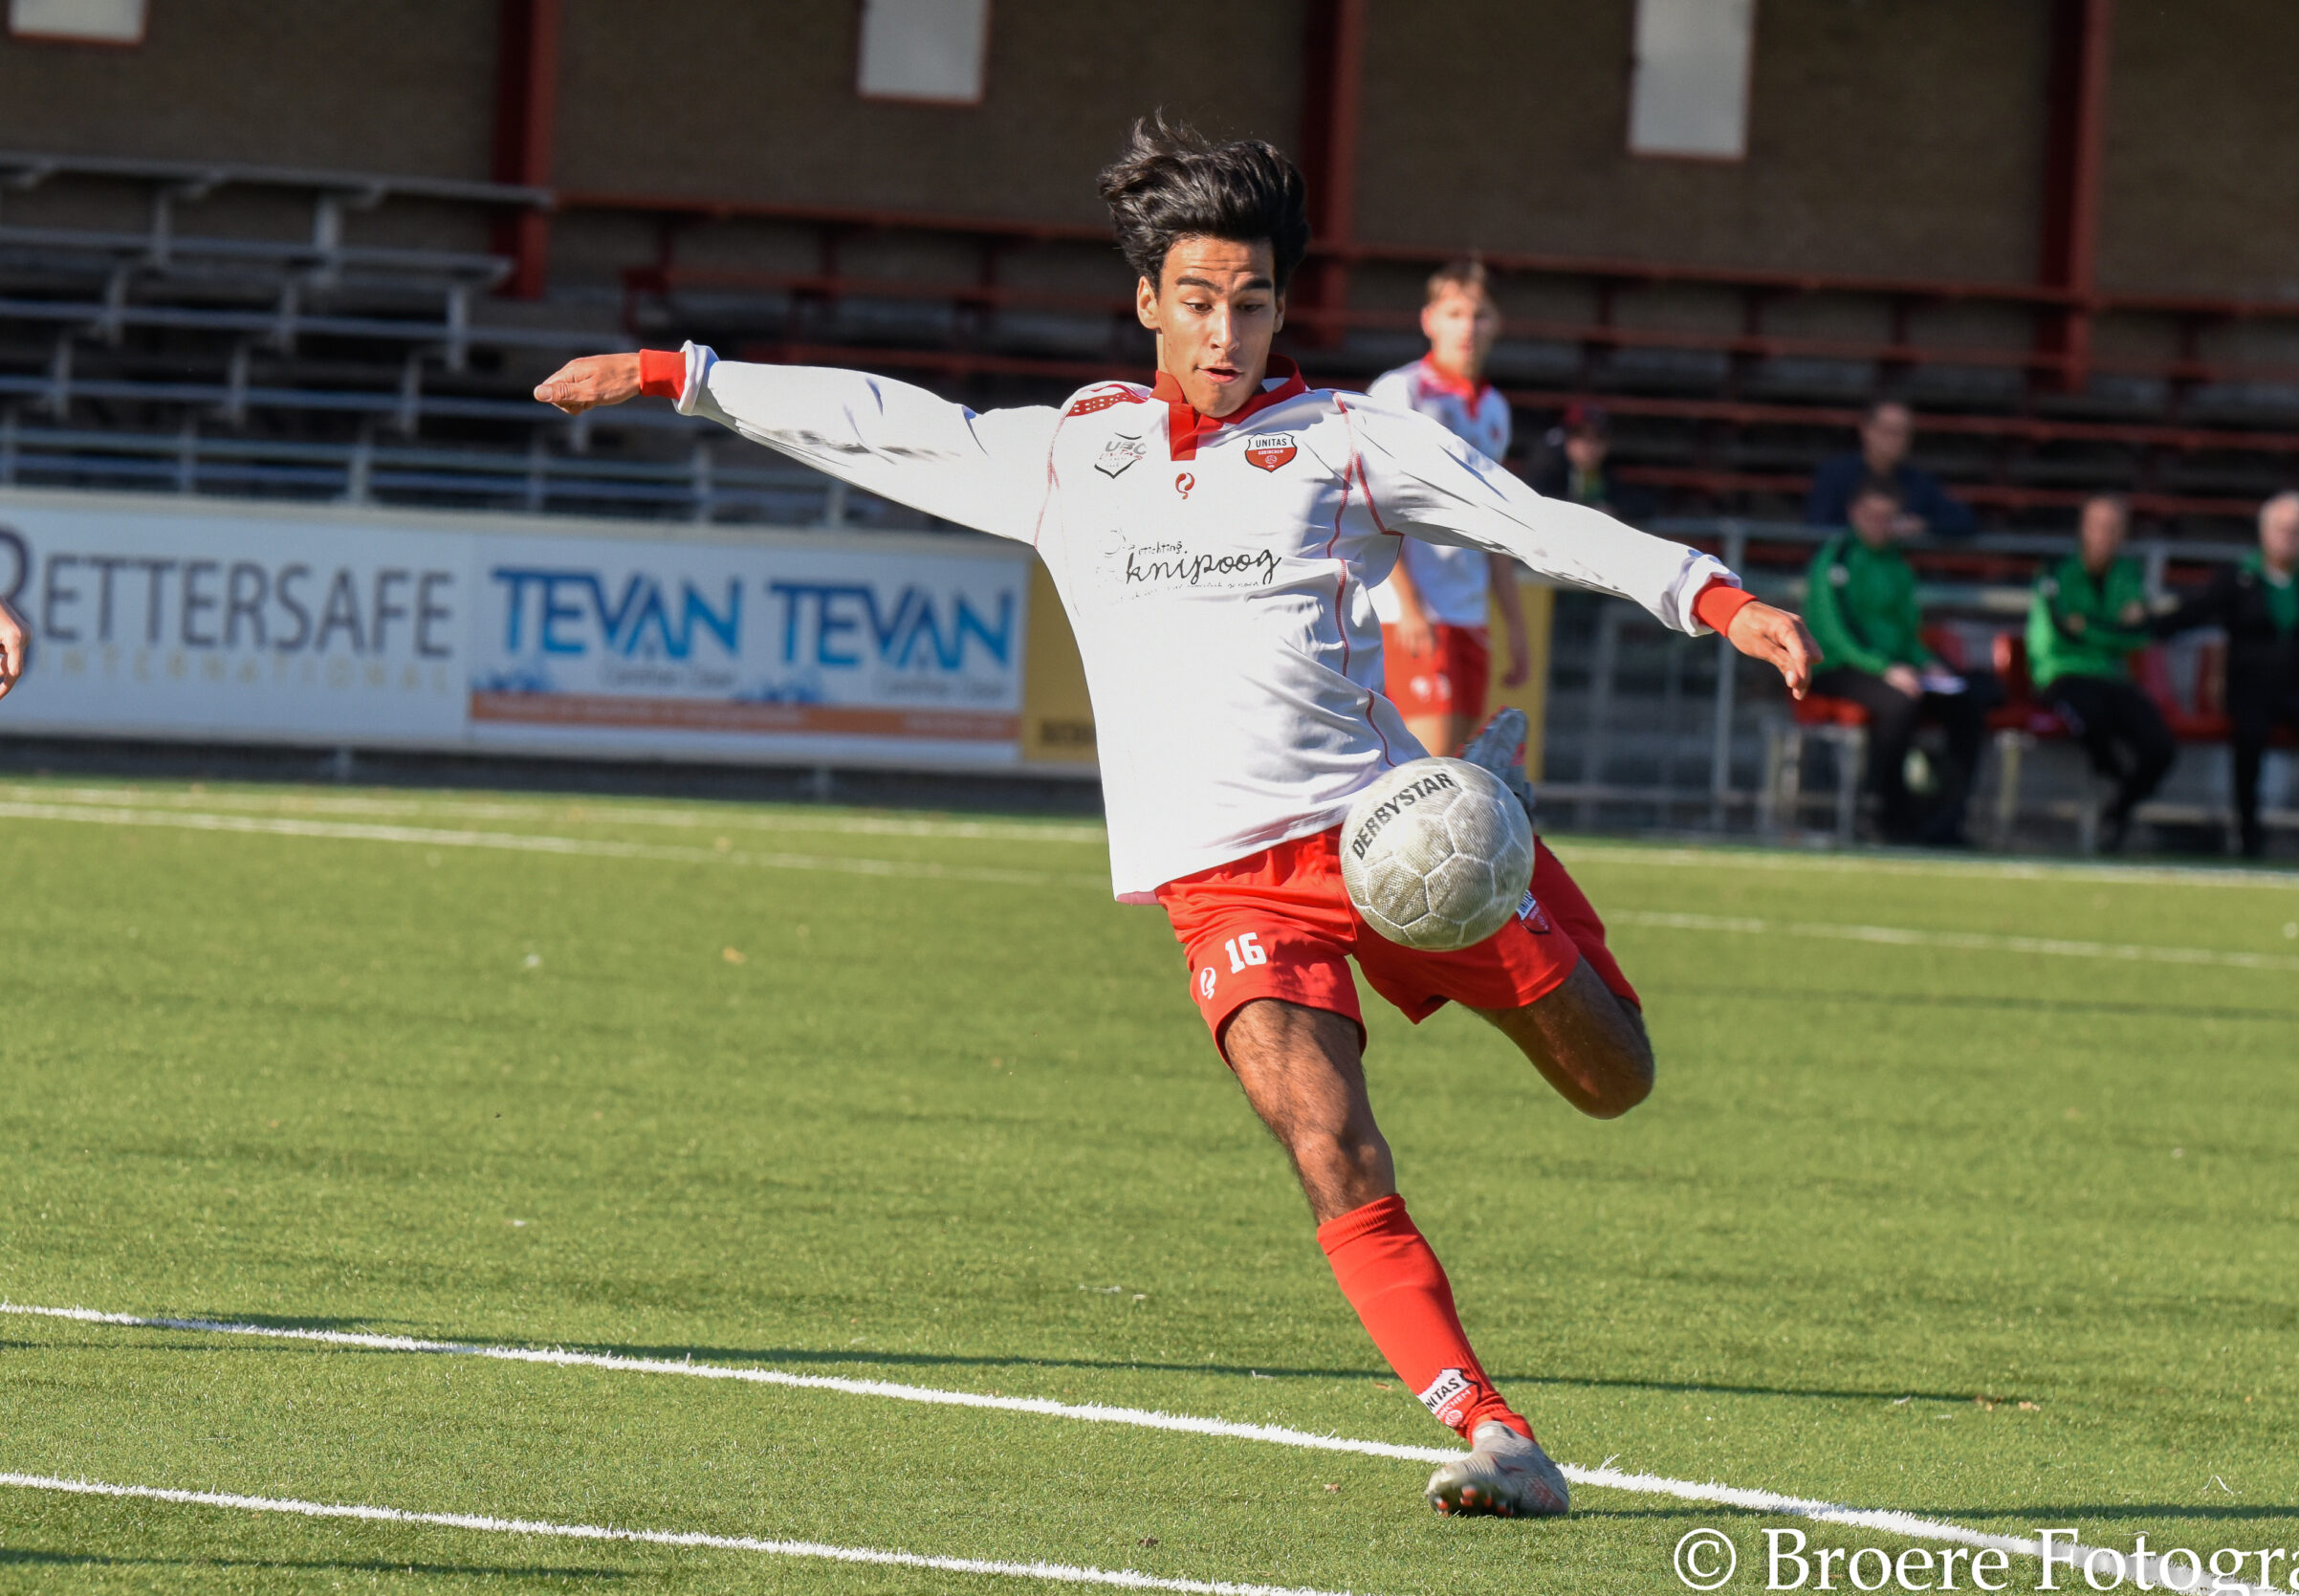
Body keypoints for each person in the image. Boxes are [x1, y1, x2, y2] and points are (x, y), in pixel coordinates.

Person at [535, 117, 1819, 1519]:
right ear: (1148, 300)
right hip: (1223, 883)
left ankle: (1488, 814)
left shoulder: (1344, 441)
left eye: (1252, 303)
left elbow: (1528, 518)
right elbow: (896, 421)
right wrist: (685, 374)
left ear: (1280, 308)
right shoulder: (1079, 449)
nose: (1226, 332)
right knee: (1325, 1140)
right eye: (1199, 301)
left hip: (1389, 842)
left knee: (1613, 1078)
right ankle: (1492, 1429)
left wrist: (1714, 597)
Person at [2157, 491, 2299, 860]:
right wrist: (2136, 624)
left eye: (2297, 531)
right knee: (2249, 735)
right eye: (2281, 529)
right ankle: (2249, 839)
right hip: (2250, 694)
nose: (2288, 538)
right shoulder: (2239, 578)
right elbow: (2187, 615)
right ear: (2264, 532)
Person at [1367, 261, 1530, 755]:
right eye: (1454, 313)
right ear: (1429, 319)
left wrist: (1514, 624)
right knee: (1429, 769)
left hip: (1467, 613)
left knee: (1454, 765)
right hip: (1413, 614)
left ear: (1497, 323)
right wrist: (1409, 605)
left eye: (1479, 315)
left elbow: (1496, 524)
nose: (1467, 327)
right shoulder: (1402, 392)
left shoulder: (1496, 408)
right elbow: (1376, 505)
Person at [1804, 477, 1994, 845]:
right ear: (1853, 513)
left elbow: (1907, 631)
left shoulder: (1896, 563)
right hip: (1837, 667)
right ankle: (1887, 813)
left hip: (1895, 666)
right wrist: (1886, 669)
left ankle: (1946, 818)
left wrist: (1927, 662)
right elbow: (1837, 632)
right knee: (1900, 703)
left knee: (1966, 704)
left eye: (1887, 518)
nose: (1879, 525)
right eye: (1872, 516)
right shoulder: (1837, 559)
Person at [2026, 494, 2175, 852]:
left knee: (2160, 745)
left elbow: (2138, 634)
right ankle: (2109, 807)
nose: (2105, 535)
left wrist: (2090, 627)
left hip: (2112, 676)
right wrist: (2112, 629)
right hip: (2064, 673)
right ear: (2083, 528)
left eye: (2114, 528)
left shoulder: (2127, 574)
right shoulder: (2056, 572)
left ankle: (2118, 809)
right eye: (2098, 526)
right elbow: (2065, 630)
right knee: (2094, 721)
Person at [1804, 399, 1976, 538]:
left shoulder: (1918, 480)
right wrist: (1868, 529)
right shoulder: (1835, 474)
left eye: (1901, 433)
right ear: (1866, 430)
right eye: (1887, 431)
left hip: (1897, 567)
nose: (1894, 440)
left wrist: (1923, 524)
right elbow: (1817, 525)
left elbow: (1964, 521)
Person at [1525, 402, 1653, 520]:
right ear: (1567, 439)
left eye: (1598, 437)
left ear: (1607, 443)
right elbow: (1537, 504)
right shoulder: (1548, 467)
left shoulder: (1614, 468)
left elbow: (1643, 504)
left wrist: (1613, 510)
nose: (1589, 445)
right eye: (1579, 435)